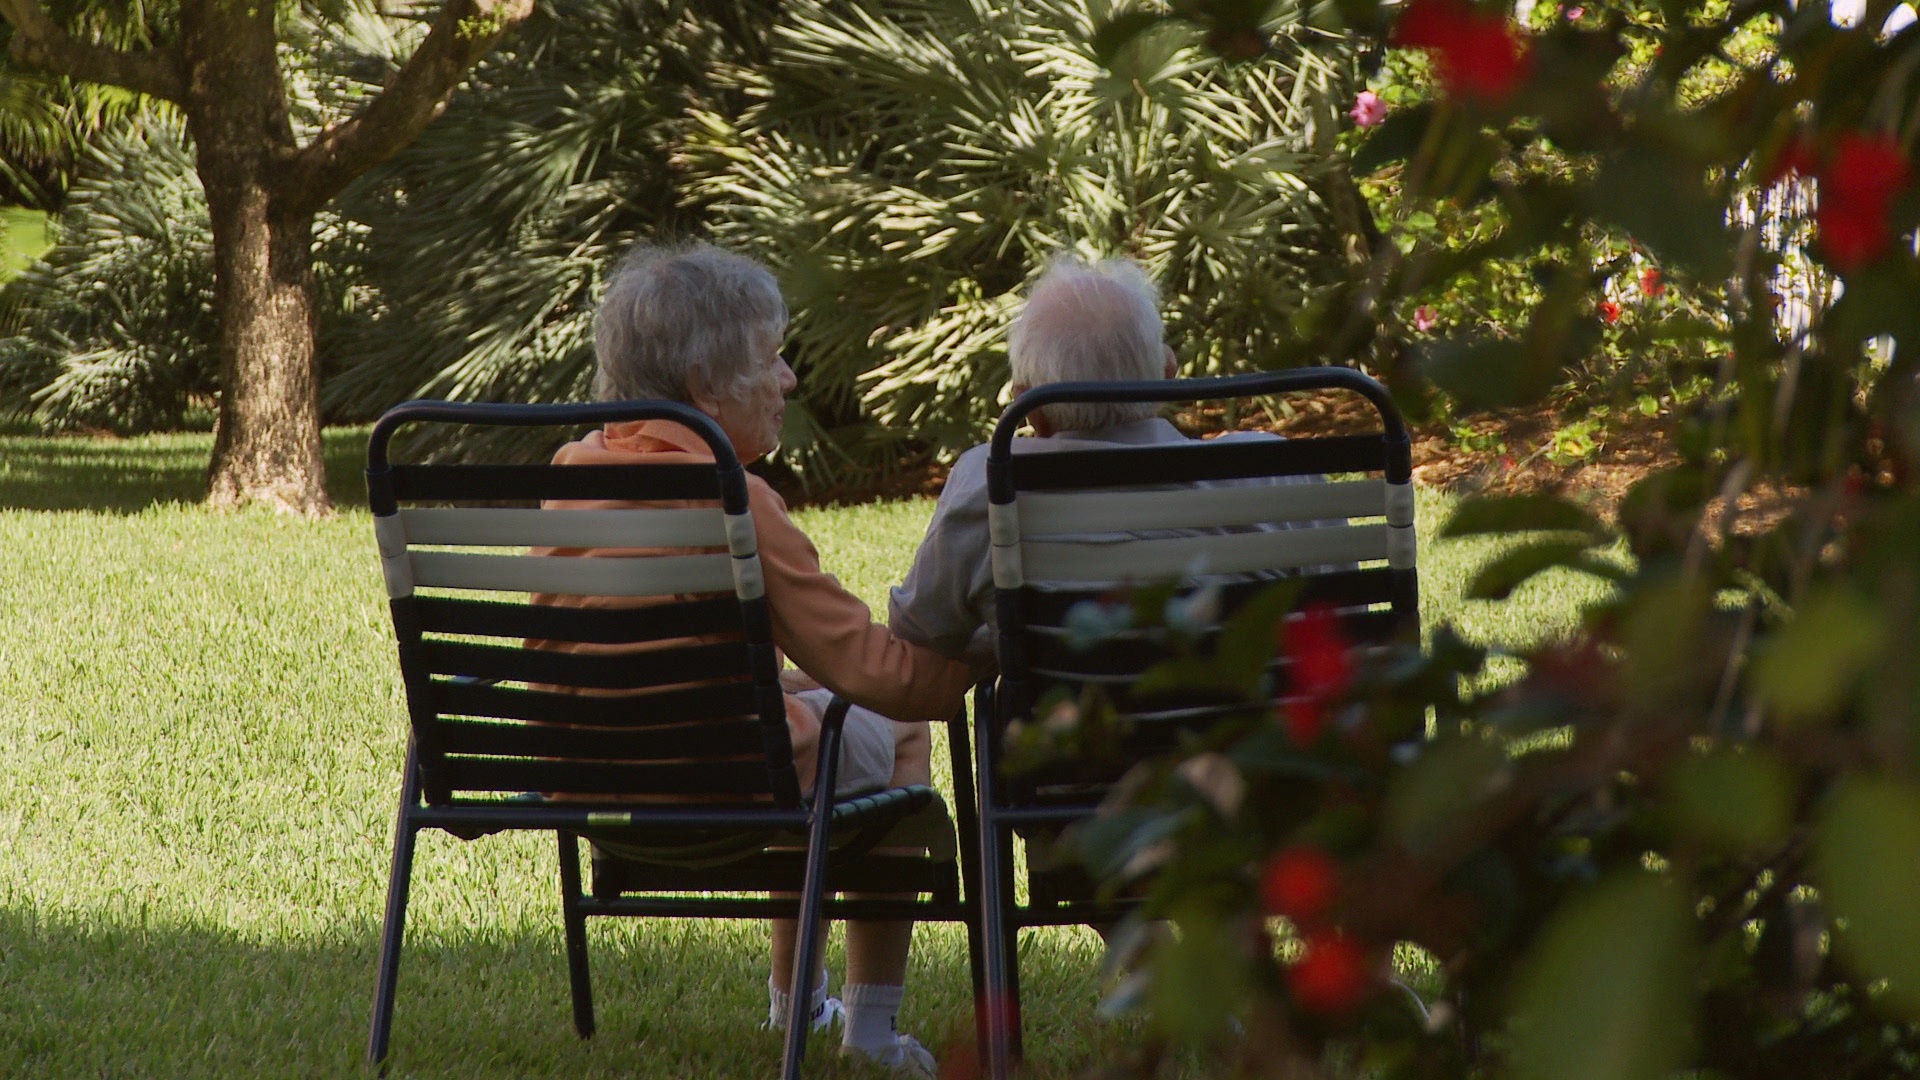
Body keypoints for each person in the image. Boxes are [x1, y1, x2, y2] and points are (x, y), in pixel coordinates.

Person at [533, 242, 968, 1075]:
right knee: (888, 731)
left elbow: (629, 651)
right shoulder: (737, 500)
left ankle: (792, 1007)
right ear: (703, 385)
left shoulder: (572, 472)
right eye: (771, 359)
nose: (790, 379)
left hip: (588, 771)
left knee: (790, 713)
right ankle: (869, 1031)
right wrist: (980, 658)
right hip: (725, 775)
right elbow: (879, 673)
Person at [887, 253, 1314, 667]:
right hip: (1241, 732)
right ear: (1167, 375)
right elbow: (1340, 611)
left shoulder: (992, 485)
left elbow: (919, 630)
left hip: (1070, 736)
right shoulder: (1276, 475)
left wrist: (1004, 633)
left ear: (1031, 409)